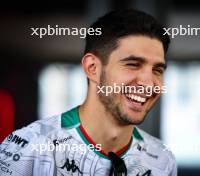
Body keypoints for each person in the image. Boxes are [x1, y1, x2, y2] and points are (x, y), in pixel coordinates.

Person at [0, 9, 177, 176]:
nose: (148, 84)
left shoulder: (162, 160)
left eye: (158, 70)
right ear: (92, 68)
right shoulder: (27, 147)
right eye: (133, 64)